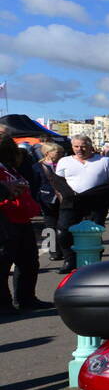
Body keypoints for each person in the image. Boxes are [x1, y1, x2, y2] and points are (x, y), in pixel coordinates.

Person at [55, 134, 109, 273]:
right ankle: (70, 259)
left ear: (90, 146)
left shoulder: (105, 160)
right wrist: (71, 194)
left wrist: (92, 193)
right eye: (76, 146)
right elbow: (58, 181)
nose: (80, 149)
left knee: (94, 233)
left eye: (83, 146)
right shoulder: (64, 161)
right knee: (63, 232)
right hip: (71, 203)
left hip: (96, 204)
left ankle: (94, 262)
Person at [0, 133, 47, 313]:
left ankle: (26, 299)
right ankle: (4, 305)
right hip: (5, 219)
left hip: (21, 218)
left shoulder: (10, 167)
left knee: (28, 261)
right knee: (3, 264)